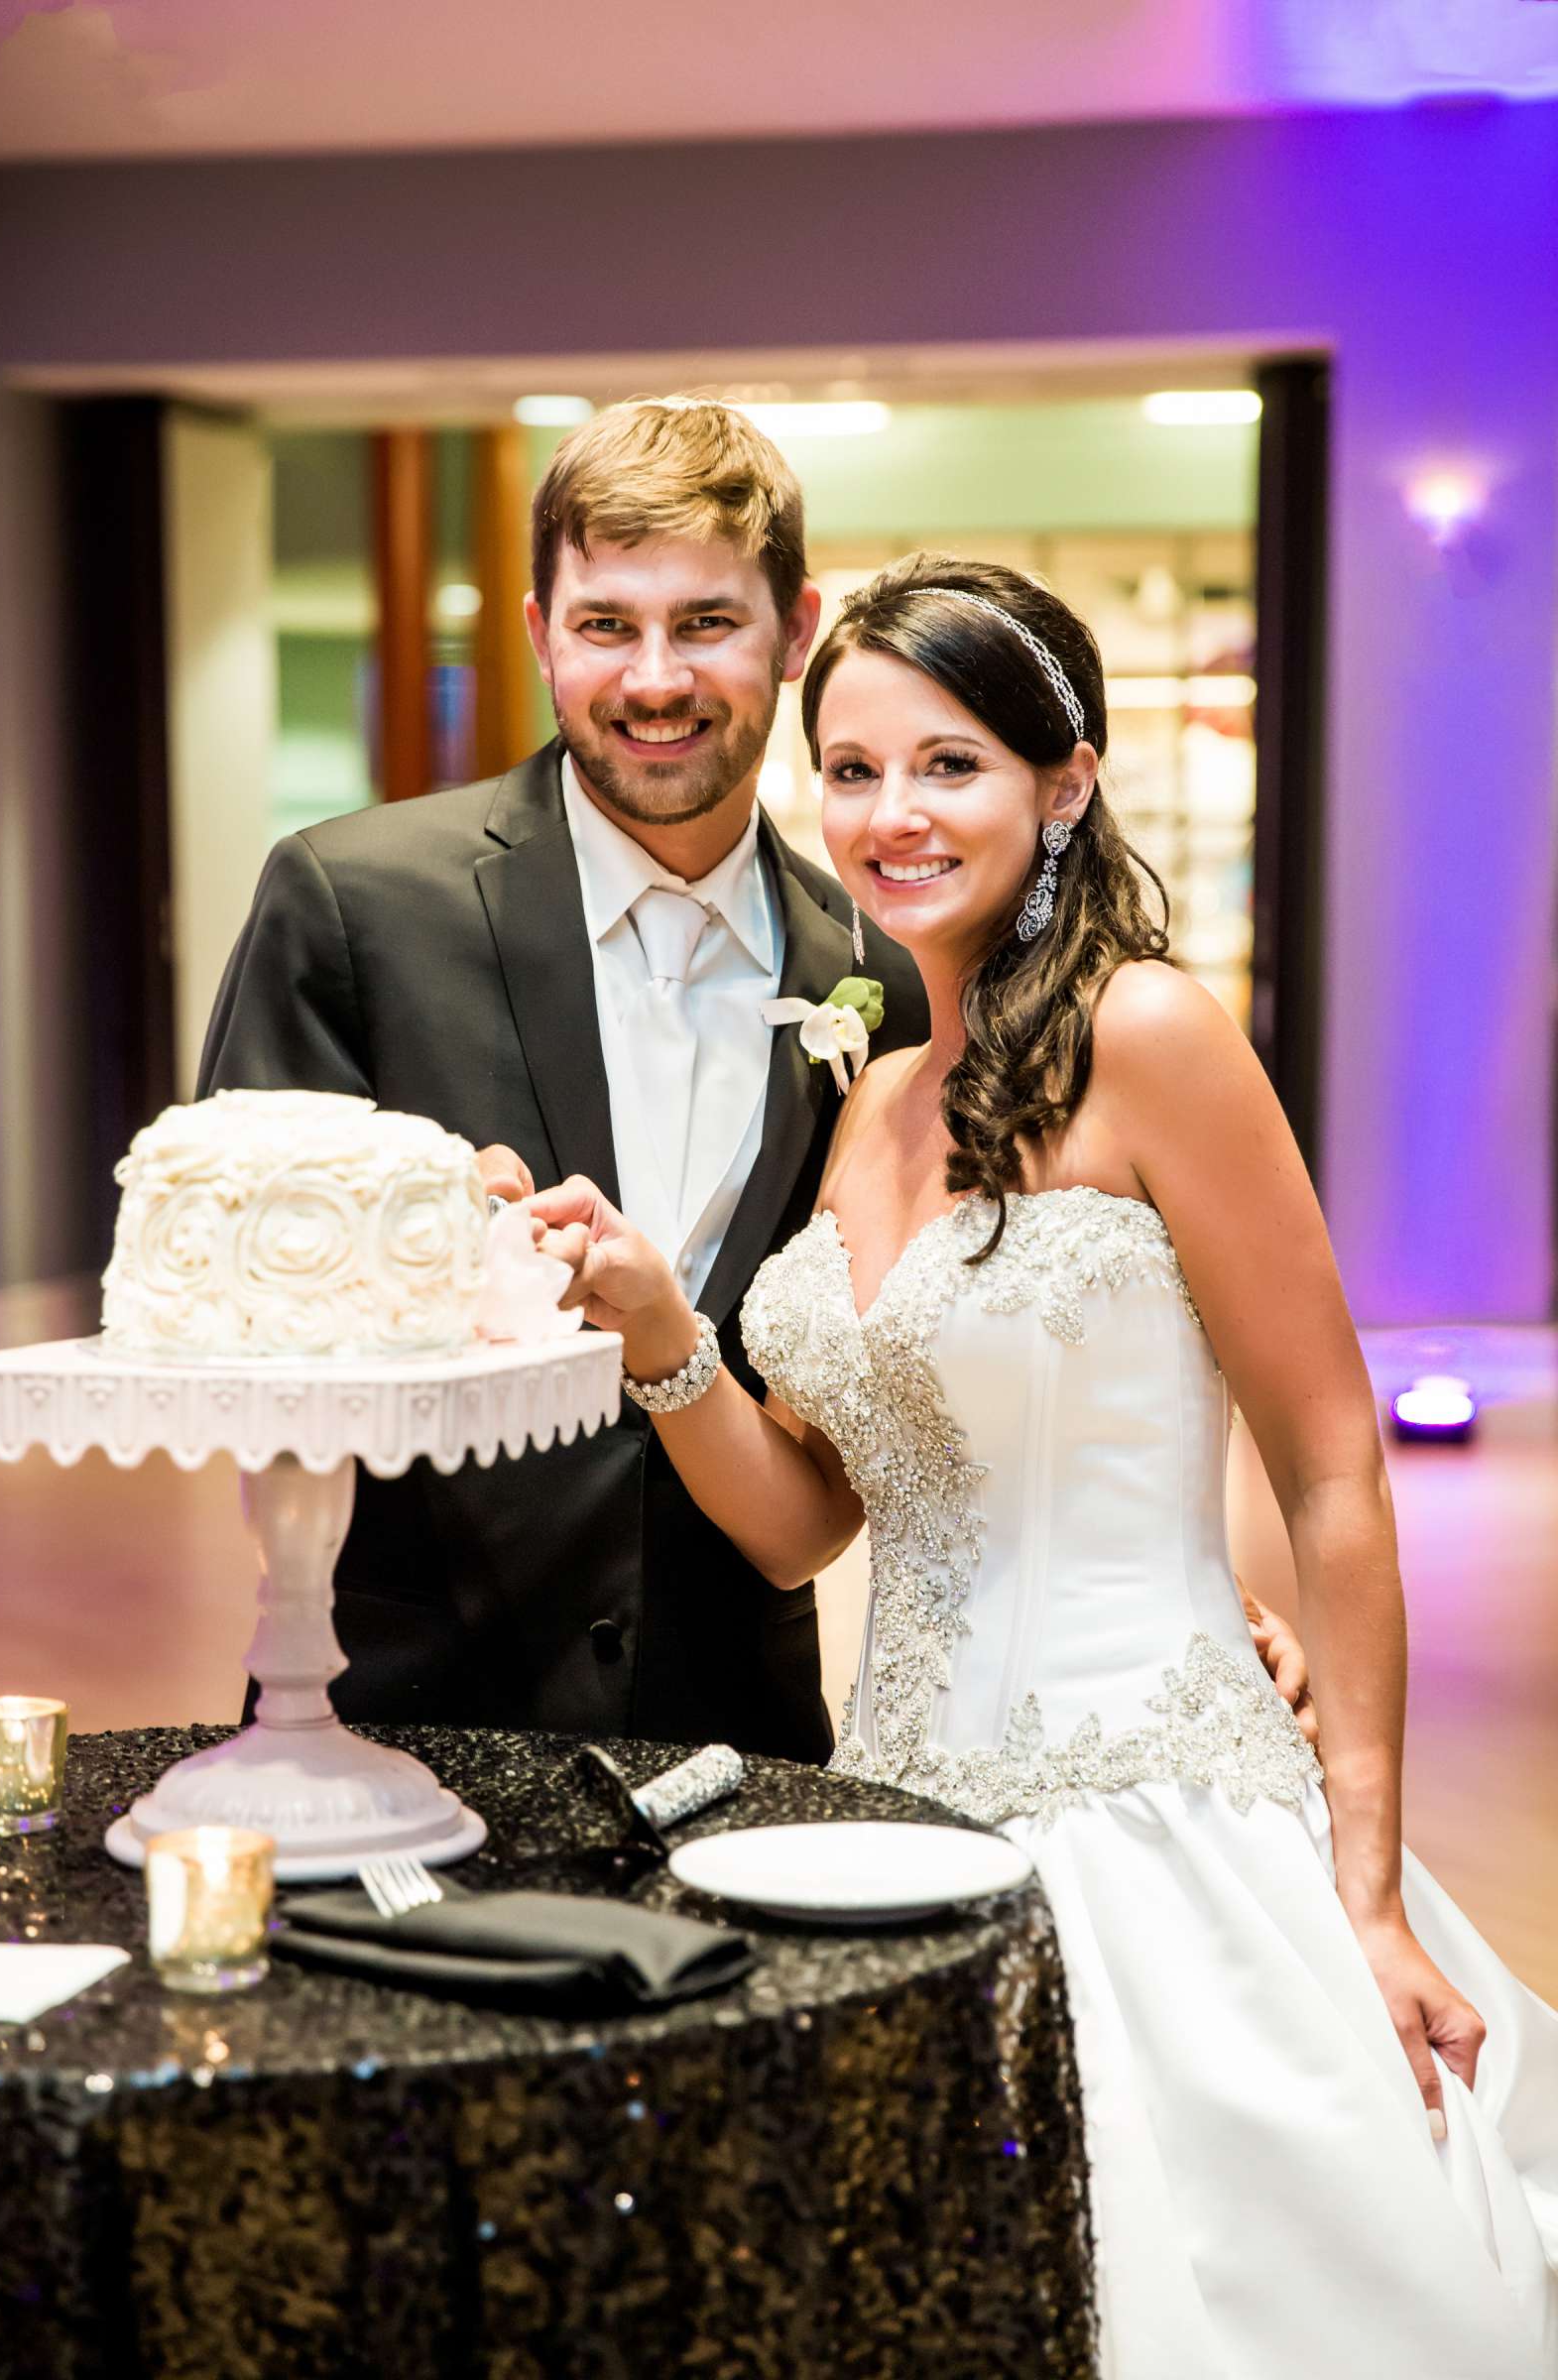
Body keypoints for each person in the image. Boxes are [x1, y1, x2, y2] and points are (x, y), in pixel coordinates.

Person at [535, 553, 1558, 2376]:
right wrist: (655, 1334)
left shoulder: (1154, 1036)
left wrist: (1372, 1889)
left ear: (1064, 781)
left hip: (1159, 1808)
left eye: (951, 765)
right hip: (902, 1816)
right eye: (850, 771)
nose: (892, 816)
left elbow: (1335, 1468)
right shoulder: (872, 1102)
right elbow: (799, 1533)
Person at [199, 398, 1304, 1760]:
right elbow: (241, 1307)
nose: (653, 677)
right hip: (398, 1714)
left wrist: (1170, 1599)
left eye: (707, 622)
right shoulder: (352, 905)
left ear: (793, 630)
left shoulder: (895, 961)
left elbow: (947, 1355)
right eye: (606, 623)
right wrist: (425, 1255)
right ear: (542, 631)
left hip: (745, 1738)